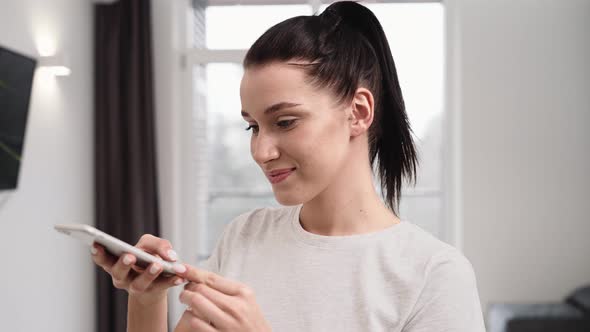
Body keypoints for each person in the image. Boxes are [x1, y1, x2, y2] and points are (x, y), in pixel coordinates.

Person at [92, 1, 487, 331]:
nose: (261, 151)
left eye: (285, 122)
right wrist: (146, 299)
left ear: (358, 112)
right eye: (253, 126)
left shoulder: (434, 275)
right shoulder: (244, 237)